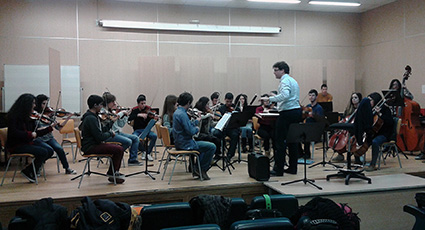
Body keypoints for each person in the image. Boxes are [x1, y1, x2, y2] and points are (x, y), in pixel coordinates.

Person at [6, 93, 54, 183]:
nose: (35, 106)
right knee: (43, 152)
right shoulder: (14, 117)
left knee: (50, 151)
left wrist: (49, 128)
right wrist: (29, 135)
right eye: (33, 103)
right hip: (16, 145)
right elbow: (14, 133)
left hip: (26, 142)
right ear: (26, 105)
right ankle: (29, 171)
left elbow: (35, 132)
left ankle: (30, 170)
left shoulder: (27, 117)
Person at [79, 95, 125, 184]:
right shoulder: (90, 118)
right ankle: (113, 174)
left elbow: (100, 130)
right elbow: (99, 136)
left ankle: (113, 173)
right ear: (95, 105)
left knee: (118, 148)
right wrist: (110, 133)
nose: (101, 107)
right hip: (90, 146)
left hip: (93, 144)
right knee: (119, 149)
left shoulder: (93, 116)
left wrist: (111, 122)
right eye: (100, 104)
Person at [268, 61, 302, 176]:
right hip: (296, 111)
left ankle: (278, 169)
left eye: (276, 70)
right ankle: (293, 168)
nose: (274, 73)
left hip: (287, 113)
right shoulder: (293, 81)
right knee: (292, 141)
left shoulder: (284, 81)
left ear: (282, 70)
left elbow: (285, 95)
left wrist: (270, 99)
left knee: (280, 141)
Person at [173, 92, 215, 180]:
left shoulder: (177, 112)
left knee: (204, 146)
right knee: (211, 147)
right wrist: (197, 128)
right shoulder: (183, 114)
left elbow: (187, 126)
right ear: (188, 102)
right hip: (186, 144)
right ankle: (201, 169)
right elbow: (191, 131)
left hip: (180, 142)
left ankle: (197, 168)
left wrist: (197, 121)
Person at [33, 94, 77, 175]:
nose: (45, 106)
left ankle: (67, 168)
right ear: (38, 104)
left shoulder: (50, 115)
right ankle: (38, 167)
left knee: (59, 148)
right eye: (43, 104)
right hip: (39, 139)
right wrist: (49, 126)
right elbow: (35, 130)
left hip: (49, 138)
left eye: (46, 103)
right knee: (47, 151)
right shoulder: (35, 116)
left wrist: (68, 117)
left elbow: (59, 128)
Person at [353, 92, 393, 171]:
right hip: (373, 133)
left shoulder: (385, 109)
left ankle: (373, 164)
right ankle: (358, 161)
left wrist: (380, 114)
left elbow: (390, 122)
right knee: (358, 137)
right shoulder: (369, 109)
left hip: (384, 134)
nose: (369, 102)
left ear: (376, 100)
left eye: (370, 100)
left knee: (375, 142)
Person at [102, 92, 142, 166]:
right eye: (112, 102)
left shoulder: (112, 111)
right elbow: (111, 120)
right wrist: (121, 113)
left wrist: (126, 115)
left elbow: (120, 125)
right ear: (107, 103)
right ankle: (114, 155)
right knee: (128, 142)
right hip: (109, 135)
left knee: (135, 138)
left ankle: (132, 160)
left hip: (117, 132)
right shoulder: (103, 112)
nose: (114, 103)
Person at [333, 92, 362, 162]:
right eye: (352, 98)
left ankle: (357, 155)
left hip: (357, 129)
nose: (353, 99)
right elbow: (344, 117)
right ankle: (340, 154)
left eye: (355, 98)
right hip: (348, 128)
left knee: (353, 138)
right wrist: (341, 122)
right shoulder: (349, 109)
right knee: (336, 137)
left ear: (359, 99)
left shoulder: (362, 109)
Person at [128, 94, 158, 161]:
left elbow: (151, 122)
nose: (144, 105)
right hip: (137, 130)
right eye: (142, 103)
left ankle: (148, 153)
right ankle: (143, 151)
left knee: (154, 136)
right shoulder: (135, 110)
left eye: (144, 103)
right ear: (138, 104)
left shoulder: (148, 109)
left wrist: (154, 119)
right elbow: (129, 118)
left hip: (146, 130)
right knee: (134, 137)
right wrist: (138, 115)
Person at [214, 92, 239, 161]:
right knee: (215, 134)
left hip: (232, 128)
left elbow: (239, 120)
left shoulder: (236, 108)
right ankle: (217, 153)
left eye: (230, 102)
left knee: (235, 135)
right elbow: (218, 117)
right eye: (227, 101)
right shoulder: (222, 108)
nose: (229, 103)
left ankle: (230, 154)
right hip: (223, 128)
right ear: (225, 100)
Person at [299, 89, 324, 159]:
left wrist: (313, 115)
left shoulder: (319, 108)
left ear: (316, 97)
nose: (311, 97)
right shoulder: (308, 106)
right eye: (310, 95)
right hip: (306, 126)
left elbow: (320, 120)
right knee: (296, 134)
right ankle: (300, 153)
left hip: (314, 128)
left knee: (306, 134)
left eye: (313, 95)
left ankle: (307, 154)